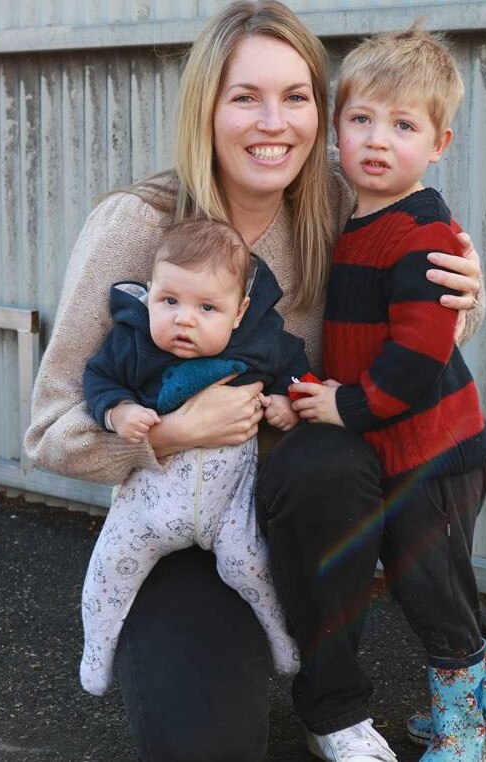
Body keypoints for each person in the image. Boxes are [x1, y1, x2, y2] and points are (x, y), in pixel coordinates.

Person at [24, 2, 486, 760]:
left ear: (319, 110)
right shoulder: (137, 226)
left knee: (330, 458)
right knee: (207, 744)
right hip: (179, 526)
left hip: (297, 510)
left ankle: (332, 706)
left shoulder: (341, 201)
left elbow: (430, 302)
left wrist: (468, 290)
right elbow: (48, 430)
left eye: (296, 96)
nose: (275, 122)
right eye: (246, 97)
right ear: (206, 107)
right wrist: (169, 433)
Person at [287, 26, 486, 761]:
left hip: (436, 450)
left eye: (403, 126)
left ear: (439, 143)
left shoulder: (421, 231)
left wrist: (346, 406)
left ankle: (460, 732)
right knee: (444, 580)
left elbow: (421, 354)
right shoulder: (358, 217)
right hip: (412, 446)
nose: (377, 140)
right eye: (361, 119)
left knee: (428, 590)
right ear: (336, 129)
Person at [80, 217, 308, 696]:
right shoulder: (133, 343)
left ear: (239, 311)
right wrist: (119, 412)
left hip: (229, 505)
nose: (184, 319)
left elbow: (294, 369)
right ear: (149, 293)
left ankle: (281, 639)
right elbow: (99, 379)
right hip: (152, 499)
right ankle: (97, 648)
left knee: (250, 564)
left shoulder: (259, 344)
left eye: (207, 307)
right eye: (169, 301)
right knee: (112, 564)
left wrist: (288, 401)